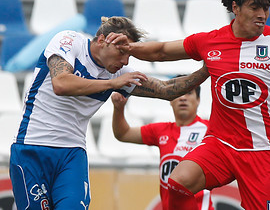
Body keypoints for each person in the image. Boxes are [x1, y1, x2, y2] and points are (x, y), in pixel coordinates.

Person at [107, 0, 270, 210]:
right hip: (220, 143)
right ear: (236, 7)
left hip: (261, 149)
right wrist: (129, 47)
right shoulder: (210, 41)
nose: (262, 14)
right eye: (255, 7)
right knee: (178, 181)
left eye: (266, 8)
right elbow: (161, 51)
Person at [9, 16, 209, 210]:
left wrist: (208, 69)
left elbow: (166, 90)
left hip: (72, 154)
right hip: (32, 148)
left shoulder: (118, 74)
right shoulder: (70, 41)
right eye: (122, 52)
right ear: (103, 40)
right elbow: (61, 83)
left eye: (129, 55)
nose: (125, 61)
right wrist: (113, 83)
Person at [111, 80, 270, 209]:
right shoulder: (159, 130)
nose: (183, 98)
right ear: (170, 100)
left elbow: (247, 159)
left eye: (189, 93)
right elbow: (123, 134)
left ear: (199, 100)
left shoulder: (213, 132)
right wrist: (118, 109)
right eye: (178, 94)